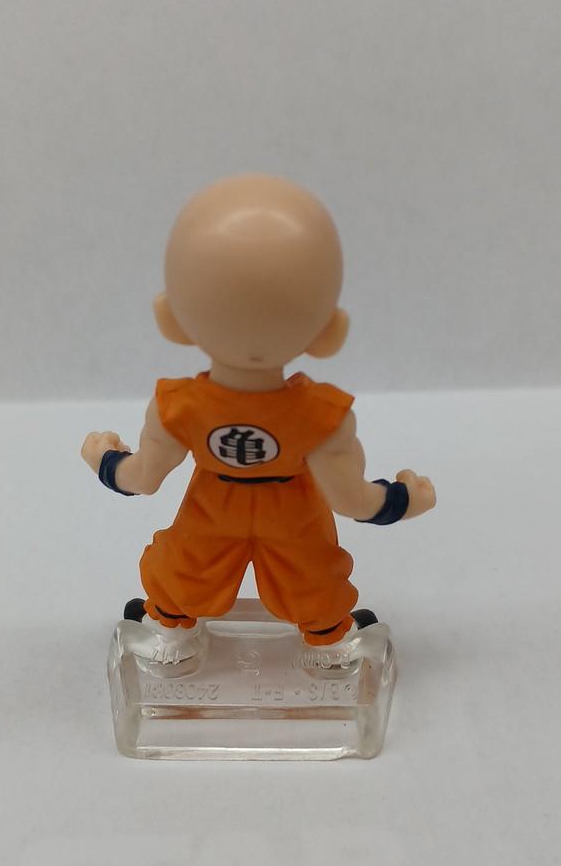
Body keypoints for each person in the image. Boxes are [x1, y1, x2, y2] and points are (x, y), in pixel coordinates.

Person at [81, 174, 436, 665]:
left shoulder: (177, 406)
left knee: (186, 570)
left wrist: (104, 459)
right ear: (330, 332)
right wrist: (402, 500)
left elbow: (142, 477)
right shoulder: (322, 416)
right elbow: (351, 499)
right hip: (294, 511)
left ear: (171, 319)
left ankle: (170, 627)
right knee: (311, 578)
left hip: (212, 506)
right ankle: (329, 642)